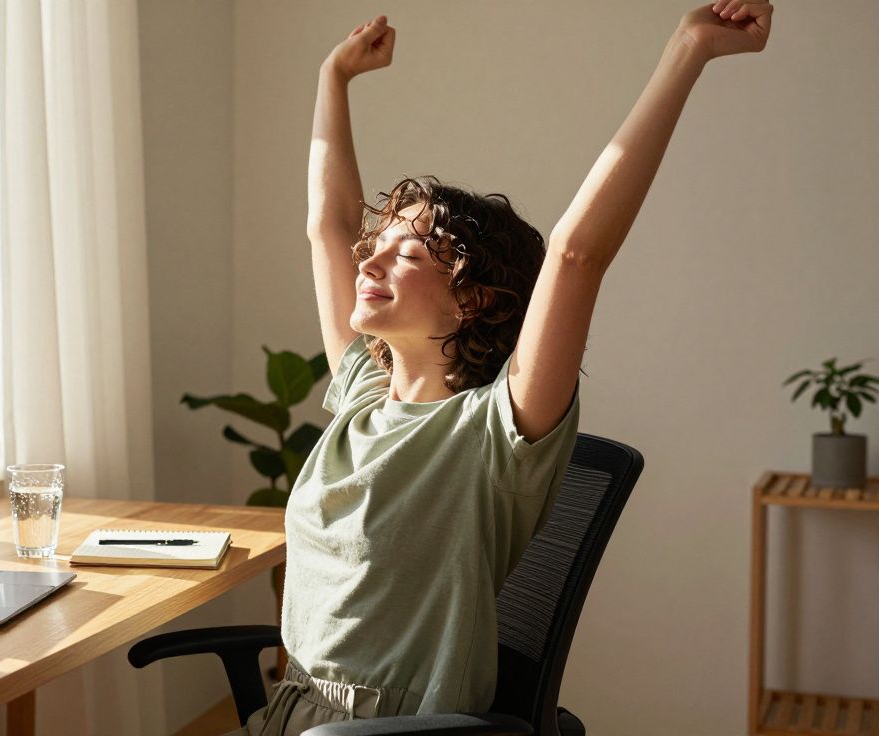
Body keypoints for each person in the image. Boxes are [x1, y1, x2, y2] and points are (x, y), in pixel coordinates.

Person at [223, 1, 773, 734]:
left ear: (474, 301)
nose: (370, 255)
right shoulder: (363, 395)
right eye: (378, 241)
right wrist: (334, 78)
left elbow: (578, 254)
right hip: (290, 713)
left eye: (408, 252)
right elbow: (328, 224)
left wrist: (688, 51)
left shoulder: (495, 432)